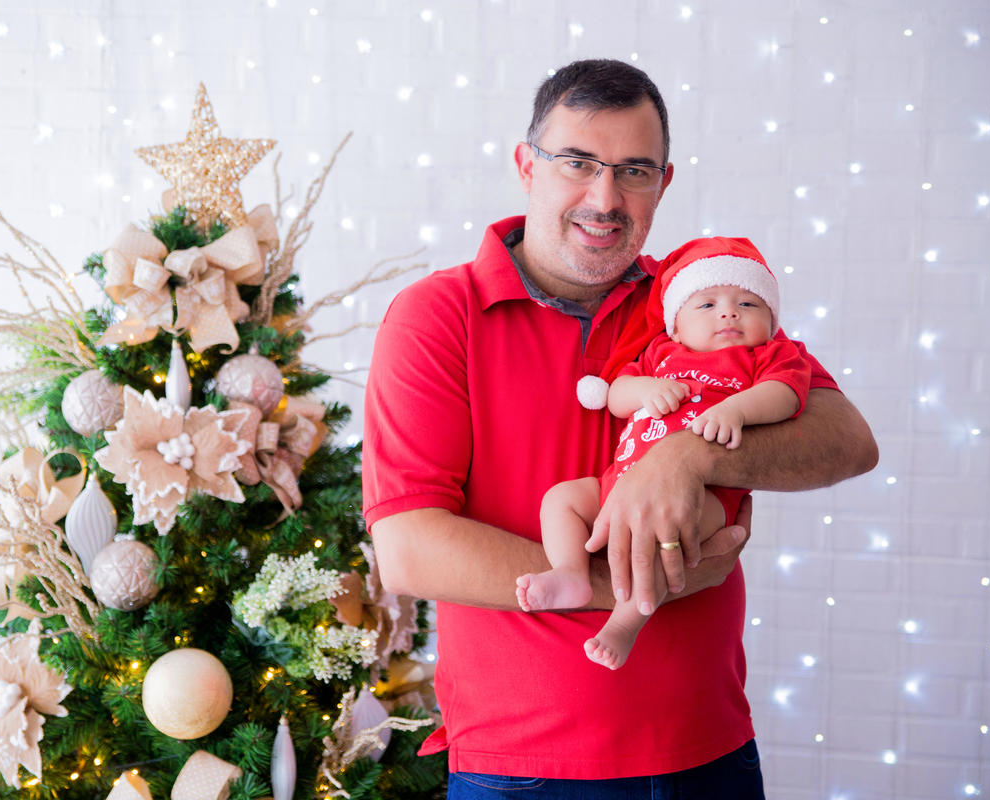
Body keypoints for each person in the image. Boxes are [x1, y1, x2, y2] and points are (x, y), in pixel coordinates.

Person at [363, 59, 877, 797]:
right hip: (524, 769)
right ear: (526, 167)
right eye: (577, 163)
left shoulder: (700, 299)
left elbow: (847, 440)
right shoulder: (438, 316)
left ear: (664, 184)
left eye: (634, 171)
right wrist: (623, 590)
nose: (604, 198)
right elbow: (410, 550)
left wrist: (685, 460)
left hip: (710, 749)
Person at [517, 237, 812, 672]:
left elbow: (786, 394)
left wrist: (736, 408)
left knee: (660, 543)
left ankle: (624, 624)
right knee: (561, 499)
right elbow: (617, 395)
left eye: (748, 304)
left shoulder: (768, 355)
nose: (729, 312)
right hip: (620, 482)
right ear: (675, 326)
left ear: (772, 321)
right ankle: (571, 573)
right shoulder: (661, 354)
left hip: (705, 496)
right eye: (707, 304)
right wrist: (647, 389)